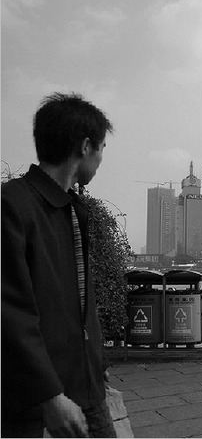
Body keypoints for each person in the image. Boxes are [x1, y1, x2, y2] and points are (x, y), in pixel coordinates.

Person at [2, 93, 116, 437]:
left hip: (85, 385)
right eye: (102, 148)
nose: (101, 159)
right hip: (36, 399)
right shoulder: (13, 207)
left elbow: (76, 300)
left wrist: (98, 364)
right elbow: (10, 312)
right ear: (85, 146)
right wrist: (50, 395)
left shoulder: (70, 209)